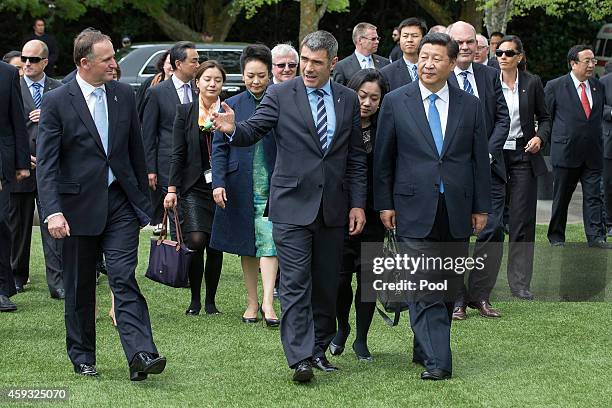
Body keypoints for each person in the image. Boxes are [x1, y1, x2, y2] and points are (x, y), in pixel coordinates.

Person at [212, 30, 367, 383]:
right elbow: (253, 130)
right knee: (295, 281)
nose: (308, 69)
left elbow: (356, 158)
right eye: (304, 62)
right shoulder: (280, 93)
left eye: (316, 63)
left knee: (327, 283)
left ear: (333, 63)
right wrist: (233, 129)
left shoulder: (346, 99)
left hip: (332, 208)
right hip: (291, 206)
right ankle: (299, 358)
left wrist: (357, 203)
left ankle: (318, 349)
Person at [37, 29, 165, 380]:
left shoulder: (124, 94)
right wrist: (52, 210)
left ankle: (141, 353)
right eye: (107, 58)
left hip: (120, 204)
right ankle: (82, 356)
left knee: (123, 277)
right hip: (76, 208)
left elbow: (135, 152)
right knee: (80, 285)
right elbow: (47, 163)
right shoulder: (57, 101)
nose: (114, 63)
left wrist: (143, 202)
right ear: (84, 63)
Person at [374, 32, 491, 380]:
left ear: (452, 64)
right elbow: (384, 160)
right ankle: (439, 360)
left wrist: (481, 207)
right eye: (424, 56)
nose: (428, 63)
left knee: (447, 285)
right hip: (410, 207)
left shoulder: (469, 104)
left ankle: (422, 346)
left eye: (437, 58)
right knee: (425, 284)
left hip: (457, 208)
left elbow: (478, 162)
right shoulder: (396, 101)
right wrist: (384, 204)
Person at [210, 44, 279, 326]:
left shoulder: (279, 100)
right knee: (246, 245)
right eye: (250, 75)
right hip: (239, 184)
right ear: (242, 74)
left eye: (261, 75)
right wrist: (218, 183)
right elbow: (218, 148)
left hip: (273, 184)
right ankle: (251, 302)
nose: (256, 81)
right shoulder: (232, 104)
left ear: (270, 74)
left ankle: (268, 303)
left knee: (270, 242)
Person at [446, 21, 509, 320]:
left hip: (489, 169)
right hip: (454, 173)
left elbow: (503, 120)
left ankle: (480, 295)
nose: (466, 47)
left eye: (471, 41)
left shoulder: (490, 75)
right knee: (457, 235)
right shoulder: (439, 78)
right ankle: (456, 299)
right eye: (459, 42)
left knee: (493, 230)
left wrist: (485, 153)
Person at [329, 69, 387, 361]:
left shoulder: (386, 128)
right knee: (339, 279)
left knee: (369, 279)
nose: (366, 102)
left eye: (374, 98)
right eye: (362, 95)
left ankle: (361, 339)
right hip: (339, 212)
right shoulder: (337, 123)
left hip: (375, 215)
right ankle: (342, 328)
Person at [164, 60, 225, 316]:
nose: (212, 84)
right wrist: (172, 188)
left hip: (222, 186)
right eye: (207, 79)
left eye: (217, 80)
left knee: (215, 244)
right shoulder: (185, 112)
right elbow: (177, 153)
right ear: (197, 82)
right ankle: (195, 299)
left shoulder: (229, 110)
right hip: (192, 187)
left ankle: (210, 301)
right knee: (196, 240)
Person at [497, 35, 551, 300]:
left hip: (522, 154)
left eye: (509, 53)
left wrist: (540, 137)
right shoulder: (487, 81)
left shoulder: (532, 82)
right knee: (491, 222)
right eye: (499, 53)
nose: (503, 57)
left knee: (521, 221)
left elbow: (545, 117)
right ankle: (481, 284)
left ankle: (519, 282)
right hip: (493, 155)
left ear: (520, 56)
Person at [9, 40, 63, 299]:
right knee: (18, 224)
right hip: (21, 167)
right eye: (24, 58)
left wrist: (49, 114)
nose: (27, 63)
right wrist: (20, 158)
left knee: (51, 222)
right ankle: (16, 276)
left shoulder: (58, 88)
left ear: (45, 62)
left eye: (33, 59)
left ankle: (58, 282)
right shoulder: (12, 86)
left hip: (50, 167)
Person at [546, 45, 608, 247]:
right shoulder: (555, 86)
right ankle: (556, 237)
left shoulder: (599, 87)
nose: (592, 65)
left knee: (594, 197)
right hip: (566, 151)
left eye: (593, 61)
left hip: (593, 153)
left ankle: (596, 237)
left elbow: (595, 118)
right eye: (587, 61)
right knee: (562, 197)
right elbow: (547, 118)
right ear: (573, 64)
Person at [142, 42, 198, 240]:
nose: (198, 65)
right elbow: (148, 134)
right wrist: (150, 169)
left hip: (195, 164)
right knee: (176, 213)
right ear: (178, 63)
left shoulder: (197, 89)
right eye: (194, 61)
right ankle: (178, 258)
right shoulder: (156, 92)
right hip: (167, 164)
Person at [0, 61, 30, 313]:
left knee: (1, 223)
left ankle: (1, 289)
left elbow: (17, 120)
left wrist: (22, 163)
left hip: (1, 164)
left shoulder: (8, 73)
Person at [380, 17, 427, 91]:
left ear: (423, 38)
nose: (409, 40)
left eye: (414, 36)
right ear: (400, 39)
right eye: (405, 36)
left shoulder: (433, 67)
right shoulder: (387, 73)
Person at [136, 50, 173, 117]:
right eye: (170, 63)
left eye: (175, 64)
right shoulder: (150, 82)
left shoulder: (186, 85)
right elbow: (138, 109)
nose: (173, 67)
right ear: (163, 64)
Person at [600, 63, 612, 236]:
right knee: (608, 184)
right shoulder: (603, 82)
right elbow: (598, 107)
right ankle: (609, 223)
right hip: (610, 142)